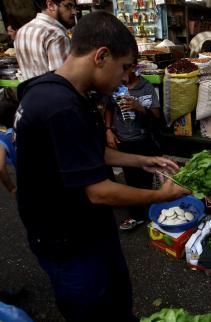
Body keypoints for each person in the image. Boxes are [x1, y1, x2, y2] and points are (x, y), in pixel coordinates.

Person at [14, 11, 189, 322]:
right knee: (94, 311)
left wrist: (143, 160)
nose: (125, 78)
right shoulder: (61, 107)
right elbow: (98, 192)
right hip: (68, 241)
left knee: (116, 299)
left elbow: (90, 153)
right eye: (124, 68)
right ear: (101, 56)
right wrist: (162, 196)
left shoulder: (55, 90)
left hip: (87, 231)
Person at [105, 62, 162, 231]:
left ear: (133, 68)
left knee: (145, 178)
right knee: (130, 178)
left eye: (125, 69)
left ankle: (149, 209)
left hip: (144, 139)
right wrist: (108, 130)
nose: (122, 74)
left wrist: (139, 108)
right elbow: (108, 108)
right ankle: (136, 216)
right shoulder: (115, 85)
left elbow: (157, 115)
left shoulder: (146, 86)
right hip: (124, 141)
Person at [15, 0, 76, 80]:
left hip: (30, 91)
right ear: (50, 5)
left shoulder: (22, 30)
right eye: (68, 6)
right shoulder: (56, 34)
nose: (74, 12)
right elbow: (63, 79)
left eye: (74, 7)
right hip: (52, 92)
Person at [0, 89, 17, 199]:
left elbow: (0, 168)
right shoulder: (29, 127)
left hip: (29, 186)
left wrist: (12, 188)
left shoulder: (4, 137)